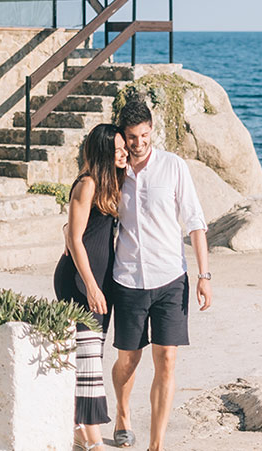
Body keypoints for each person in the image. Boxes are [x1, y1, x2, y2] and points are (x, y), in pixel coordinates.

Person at [110, 101, 212, 451]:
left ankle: (156, 444)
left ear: (152, 131)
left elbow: (195, 221)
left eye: (144, 135)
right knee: (129, 359)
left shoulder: (173, 166)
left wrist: (204, 274)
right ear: (122, 135)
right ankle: (122, 415)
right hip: (128, 280)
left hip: (171, 278)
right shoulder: (114, 171)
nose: (138, 143)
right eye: (131, 137)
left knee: (166, 357)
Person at [54, 123, 128, 451]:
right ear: (103, 153)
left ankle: (77, 429)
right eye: (118, 149)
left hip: (101, 283)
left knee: (91, 356)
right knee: (88, 361)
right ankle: (94, 441)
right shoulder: (87, 184)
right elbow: (74, 236)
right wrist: (91, 286)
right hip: (79, 282)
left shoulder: (112, 183)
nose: (125, 152)